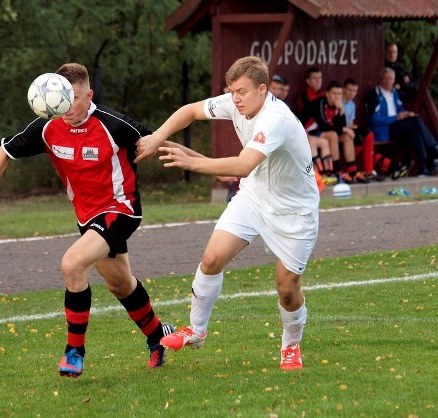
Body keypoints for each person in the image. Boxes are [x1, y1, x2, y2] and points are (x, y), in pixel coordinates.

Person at [0, 63, 174, 379]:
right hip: (87, 217)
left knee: (72, 265)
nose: (68, 107)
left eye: (74, 98)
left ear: (89, 94)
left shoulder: (114, 125)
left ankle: (74, 353)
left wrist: (206, 164)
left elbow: (157, 141)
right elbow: (4, 152)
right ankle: (157, 336)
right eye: (62, 99)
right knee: (120, 284)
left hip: (120, 210)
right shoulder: (48, 127)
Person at [135, 56, 320, 370]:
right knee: (211, 259)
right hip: (253, 196)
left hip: (294, 213)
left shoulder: (275, 119)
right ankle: (196, 330)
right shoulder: (237, 101)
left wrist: (194, 162)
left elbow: (243, 165)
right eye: (232, 90)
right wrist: (156, 137)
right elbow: (190, 111)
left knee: (287, 290)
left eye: (242, 92)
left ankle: (291, 346)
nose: (235, 98)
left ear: (262, 90)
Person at [366, 67, 438, 177]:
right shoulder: (374, 95)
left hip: (397, 125)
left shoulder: (394, 92)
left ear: (394, 80)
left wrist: (406, 114)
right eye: (385, 79)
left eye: (391, 79)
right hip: (385, 129)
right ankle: (434, 149)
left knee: (414, 132)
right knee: (416, 121)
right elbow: (372, 119)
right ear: (380, 79)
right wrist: (395, 118)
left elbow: (400, 108)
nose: (388, 82)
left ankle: (423, 168)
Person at [304, 80, 368, 184]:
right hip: (308, 131)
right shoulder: (320, 103)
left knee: (347, 136)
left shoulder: (337, 106)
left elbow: (340, 127)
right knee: (333, 135)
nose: (337, 97)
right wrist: (343, 129)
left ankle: (352, 172)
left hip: (322, 133)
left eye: (339, 94)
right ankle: (338, 171)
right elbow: (323, 125)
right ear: (327, 93)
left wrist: (342, 110)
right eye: (334, 93)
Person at [342, 78, 386, 182]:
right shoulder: (339, 102)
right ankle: (348, 170)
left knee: (368, 133)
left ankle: (369, 170)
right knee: (358, 138)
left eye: (354, 91)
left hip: (349, 130)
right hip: (341, 131)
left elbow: (351, 123)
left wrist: (354, 127)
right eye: (349, 90)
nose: (352, 93)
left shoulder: (352, 104)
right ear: (344, 89)